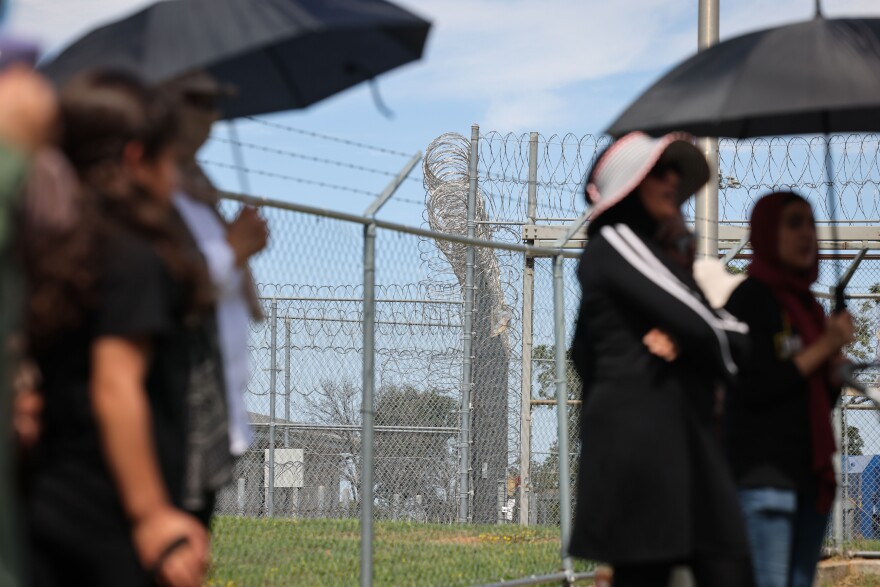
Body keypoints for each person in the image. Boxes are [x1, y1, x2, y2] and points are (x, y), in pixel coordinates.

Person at [22, 70, 213, 587]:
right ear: (135, 159)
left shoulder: (55, 249)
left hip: (49, 499)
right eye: (168, 160)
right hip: (111, 512)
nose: (173, 178)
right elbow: (116, 384)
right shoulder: (132, 256)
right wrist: (152, 516)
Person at [568, 131, 754, 587]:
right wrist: (727, 338)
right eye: (659, 171)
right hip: (646, 452)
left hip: (679, 445)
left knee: (721, 567)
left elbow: (586, 350)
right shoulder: (615, 240)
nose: (673, 181)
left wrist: (688, 341)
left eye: (677, 172)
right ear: (628, 185)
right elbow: (712, 328)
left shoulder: (653, 255)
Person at [724, 191, 853, 587]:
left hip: (808, 480)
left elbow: (807, 397)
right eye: (793, 223)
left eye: (811, 223)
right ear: (766, 232)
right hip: (766, 482)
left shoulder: (808, 307)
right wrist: (825, 348)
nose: (807, 234)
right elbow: (758, 386)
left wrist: (831, 375)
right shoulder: (749, 300)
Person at [161, 70, 267, 460]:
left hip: (215, 405)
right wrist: (232, 252)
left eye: (215, 103)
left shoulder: (199, 190)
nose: (212, 115)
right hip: (176, 409)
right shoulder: (149, 196)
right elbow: (162, 287)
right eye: (200, 102)